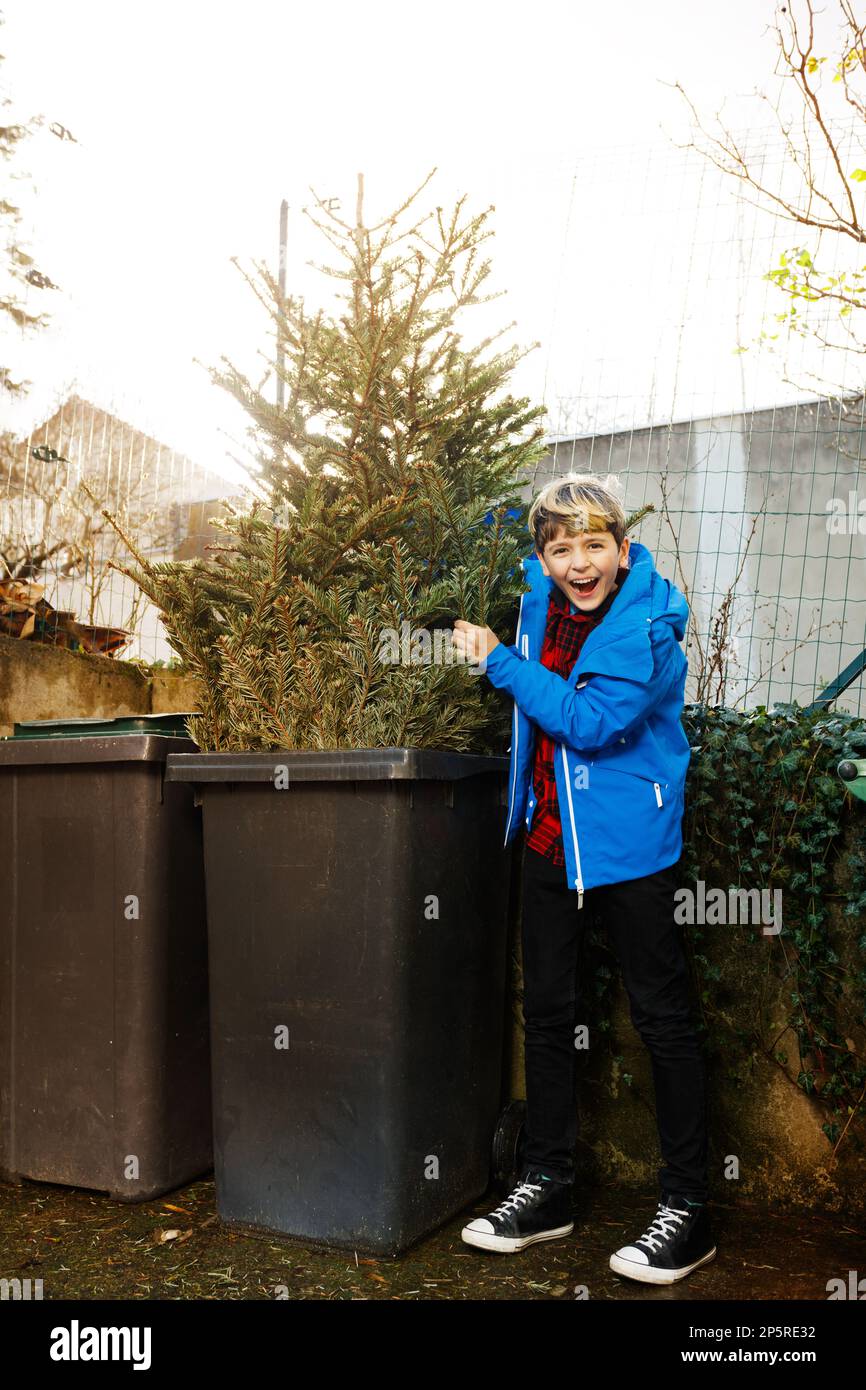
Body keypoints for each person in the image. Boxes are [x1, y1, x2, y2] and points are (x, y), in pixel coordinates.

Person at [451, 473, 715, 1285]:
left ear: (623, 551)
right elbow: (503, 534)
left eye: (594, 545)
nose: (577, 562)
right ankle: (549, 1188)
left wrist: (496, 664)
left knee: (662, 1017)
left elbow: (588, 722)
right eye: (559, 548)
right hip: (547, 839)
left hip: (629, 845)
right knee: (549, 1013)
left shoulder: (643, 629)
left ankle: (689, 1207)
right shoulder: (539, 599)